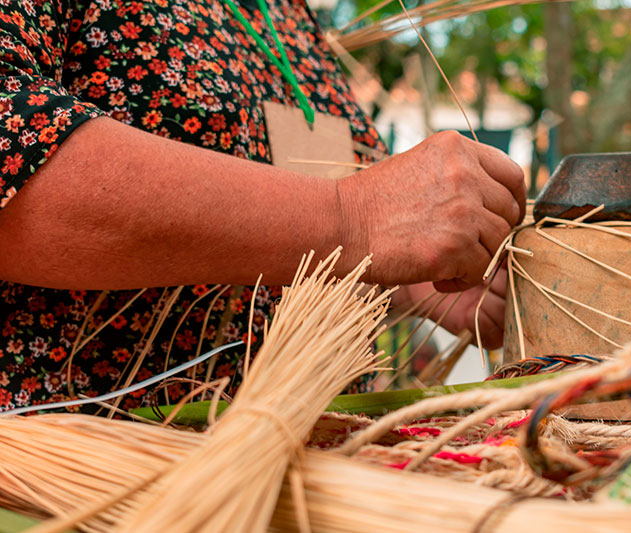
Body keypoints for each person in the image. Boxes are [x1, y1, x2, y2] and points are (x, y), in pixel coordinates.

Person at [0, 0, 524, 410]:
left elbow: (300, 216)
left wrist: (412, 277)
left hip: (317, 450)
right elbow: (16, 149)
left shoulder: (284, 13)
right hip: (102, 460)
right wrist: (353, 217)